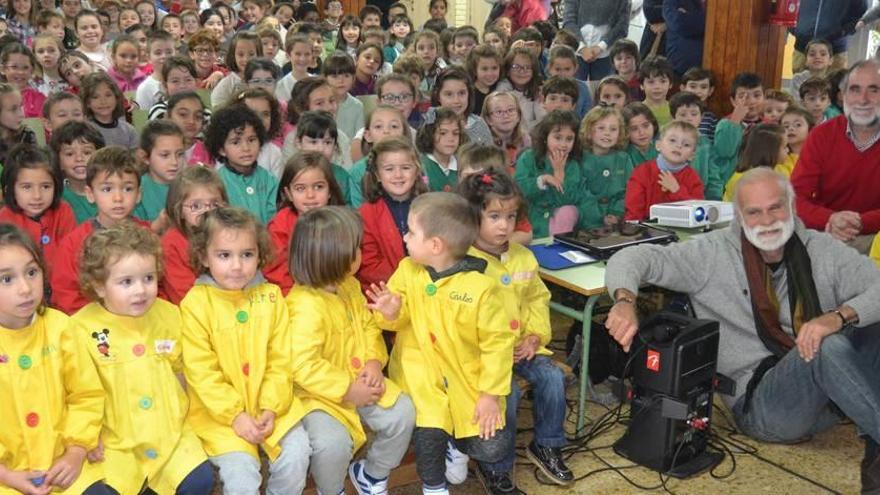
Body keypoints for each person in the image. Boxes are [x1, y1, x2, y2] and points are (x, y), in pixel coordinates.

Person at [604, 167, 880, 495]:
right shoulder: (710, 254)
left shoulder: (821, 249)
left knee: (865, 324)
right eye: (754, 212)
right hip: (763, 405)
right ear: (739, 216)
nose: (766, 220)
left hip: (828, 401)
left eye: (775, 207)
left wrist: (838, 315)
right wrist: (623, 300)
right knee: (828, 346)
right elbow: (631, 257)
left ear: (792, 207)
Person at [366, 192, 517, 495]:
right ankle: (434, 487)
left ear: (435, 245)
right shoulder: (408, 271)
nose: (404, 237)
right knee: (429, 432)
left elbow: (497, 345)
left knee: (493, 446)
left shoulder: (482, 288)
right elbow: (392, 319)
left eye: (410, 231)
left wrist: (489, 394)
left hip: (465, 380)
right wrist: (391, 313)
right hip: (418, 375)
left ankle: (457, 443)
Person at [71, 222, 215, 494]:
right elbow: (75, 392)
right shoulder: (79, 328)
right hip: (115, 441)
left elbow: (183, 372)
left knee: (200, 480)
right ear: (99, 286)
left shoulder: (170, 314)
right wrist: (86, 437)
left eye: (148, 278)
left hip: (170, 435)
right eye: (126, 282)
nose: (141, 290)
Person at [181, 206, 311, 494]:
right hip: (220, 418)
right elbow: (201, 372)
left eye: (247, 254)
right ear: (204, 256)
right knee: (242, 474)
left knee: (298, 453)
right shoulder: (195, 304)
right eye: (224, 255)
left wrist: (271, 406)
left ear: (259, 254)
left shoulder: (272, 296)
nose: (237, 266)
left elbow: (281, 359)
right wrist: (235, 415)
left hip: (273, 409)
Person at [289, 206, 416, 495]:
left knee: (403, 413)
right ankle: (330, 490)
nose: (361, 252)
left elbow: (370, 327)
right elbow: (303, 366)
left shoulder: (349, 286)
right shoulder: (303, 306)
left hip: (362, 380)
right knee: (332, 444)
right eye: (355, 248)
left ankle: (372, 473)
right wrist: (347, 389)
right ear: (333, 256)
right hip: (318, 397)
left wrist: (373, 362)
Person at [460, 169, 574, 491]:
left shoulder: (523, 256)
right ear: (472, 217)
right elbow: (459, 319)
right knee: (504, 395)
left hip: (523, 347)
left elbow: (538, 298)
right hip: (484, 358)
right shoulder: (463, 262)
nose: (504, 225)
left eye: (510, 217)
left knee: (552, 377)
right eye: (494, 216)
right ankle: (495, 465)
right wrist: (492, 351)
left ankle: (547, 445)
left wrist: (535, 336)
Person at [0, 224, 110, 495]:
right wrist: (7, 476)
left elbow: (86, 395)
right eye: (6, 279)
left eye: (32, 272)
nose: (25, 288)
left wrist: (76, 451)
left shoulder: (61, 327)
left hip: (66, 465)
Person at [791, 59, 880, 253]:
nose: (863, 99)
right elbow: (795, 197)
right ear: (842, 96)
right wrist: (830, 219)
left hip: (874, 237)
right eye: (854, 90)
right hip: (825, 232)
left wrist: (860, 222)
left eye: (874, 90)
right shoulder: (822, 135)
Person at [49, 147, 147, 315]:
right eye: (107, 189)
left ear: (139, 194)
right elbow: (66, 296)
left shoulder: (148, 236)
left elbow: (160, 286)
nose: (118, 198)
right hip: (94, 330)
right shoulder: (73, 244)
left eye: (127, 188)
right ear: (90, 194)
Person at [263, 151, 344, 293]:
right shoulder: (280, 224)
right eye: (300, 188)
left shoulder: (339, 222)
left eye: (319, 187)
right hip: (294, 297)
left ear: (330, 190)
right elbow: (277, 272)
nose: (310, 195)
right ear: (288, 194)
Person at [357, 136, 427, 290]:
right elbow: (368, 263)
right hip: (386, 291)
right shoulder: (365, 214)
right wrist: (404, 281)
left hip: (426, 287)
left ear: (417, 171)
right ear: (377, 175)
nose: (398, 175)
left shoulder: (430, 208)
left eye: (406, 168)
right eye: (389, 169)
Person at [159, 166, 228, 304]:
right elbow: (185, 297)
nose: (207, 212)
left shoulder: (228, 235)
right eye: (196, 206)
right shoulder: (171, 243)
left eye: (214, 204)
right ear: (179, 210)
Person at [204, 104, 278, 224]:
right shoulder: (216, 183)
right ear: (221, 149)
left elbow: (276, 219)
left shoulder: (270, 180)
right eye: (236, 142)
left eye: (251, 140)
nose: (246, 148)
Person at [0, 144, 75, 262]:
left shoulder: (63, 211)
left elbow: (71, 256)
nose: (37, 196)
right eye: (27, 187)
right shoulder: (4, 217)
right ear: (10, 189)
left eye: (45, 187)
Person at [624, 120, 703, 220]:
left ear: (691, 155)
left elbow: (697, 212)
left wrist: (677, 190)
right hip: (646, 227)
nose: (678, 146)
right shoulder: (642, 172)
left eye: (686, 145)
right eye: (672, 140)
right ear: (658, 145)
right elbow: (633, 208)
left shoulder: (693, 177)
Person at [561, 0, 630, 81]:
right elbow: (568, 21)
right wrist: (582, 48)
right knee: (573, 90)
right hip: (576, 52)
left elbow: (622, 26)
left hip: (605, 54)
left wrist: (601, 46)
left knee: (603, 90)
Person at [790, 0, 865, 73]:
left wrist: (843, 31)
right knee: (800, 83)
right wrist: (795, 29)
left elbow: (861, 13)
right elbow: (787, 6)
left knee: (835, 84)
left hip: (835, 51)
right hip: (802, 49)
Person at [662, 0, 706, 78]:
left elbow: (719, 24)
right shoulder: (673, 1)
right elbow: (679, 23)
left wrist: (689, 17)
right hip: (679, 70)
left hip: (709, 70)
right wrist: (707, 21)